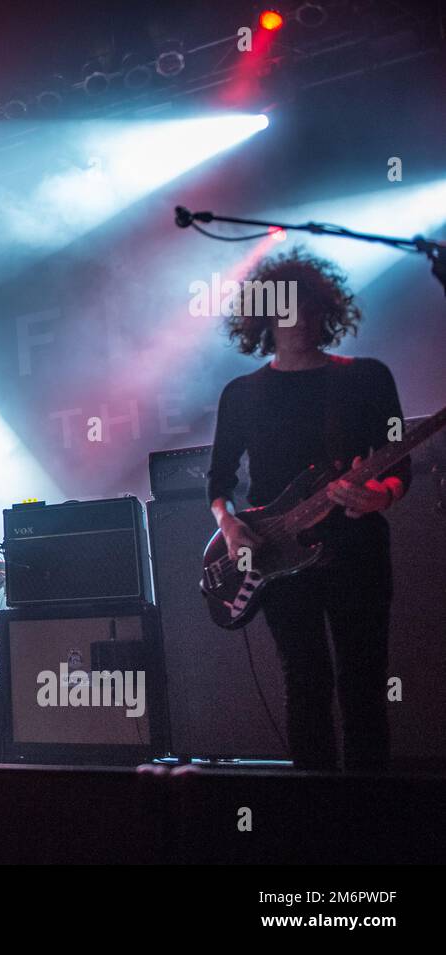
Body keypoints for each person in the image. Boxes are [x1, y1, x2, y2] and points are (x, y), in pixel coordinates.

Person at [207, 249, 410, 771]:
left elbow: (398, 468)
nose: (295, 316)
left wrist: (378, 495)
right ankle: (312, 816)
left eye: (306, 305)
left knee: (364, 683)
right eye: (283, 307)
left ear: (325, 311)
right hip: (278, 557)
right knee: (305, 680)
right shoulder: (242, 394)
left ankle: (371, 819)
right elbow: (219, 482)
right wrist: (230, 527)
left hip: (357, 551)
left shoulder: (366, 378)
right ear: (263, 317)